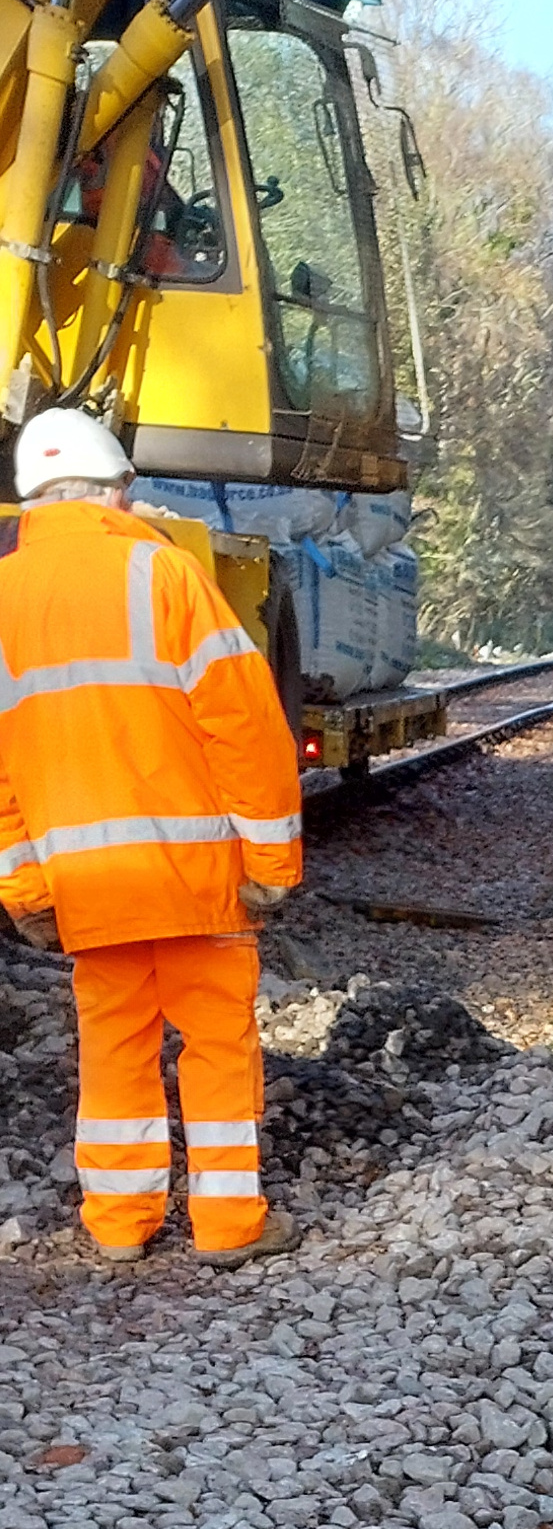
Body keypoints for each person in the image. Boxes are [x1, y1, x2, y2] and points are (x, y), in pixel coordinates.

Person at [0, 408, 302, 1265]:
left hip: (87, 885)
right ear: (119, 492)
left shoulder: (2, 599)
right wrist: (271, 861)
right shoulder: (163, 574)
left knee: (113, 1048)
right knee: (215, 1041)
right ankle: (228, 1224)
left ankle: (120, 1222)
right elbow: (247, 726)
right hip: (196, 873)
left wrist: (23, 889)